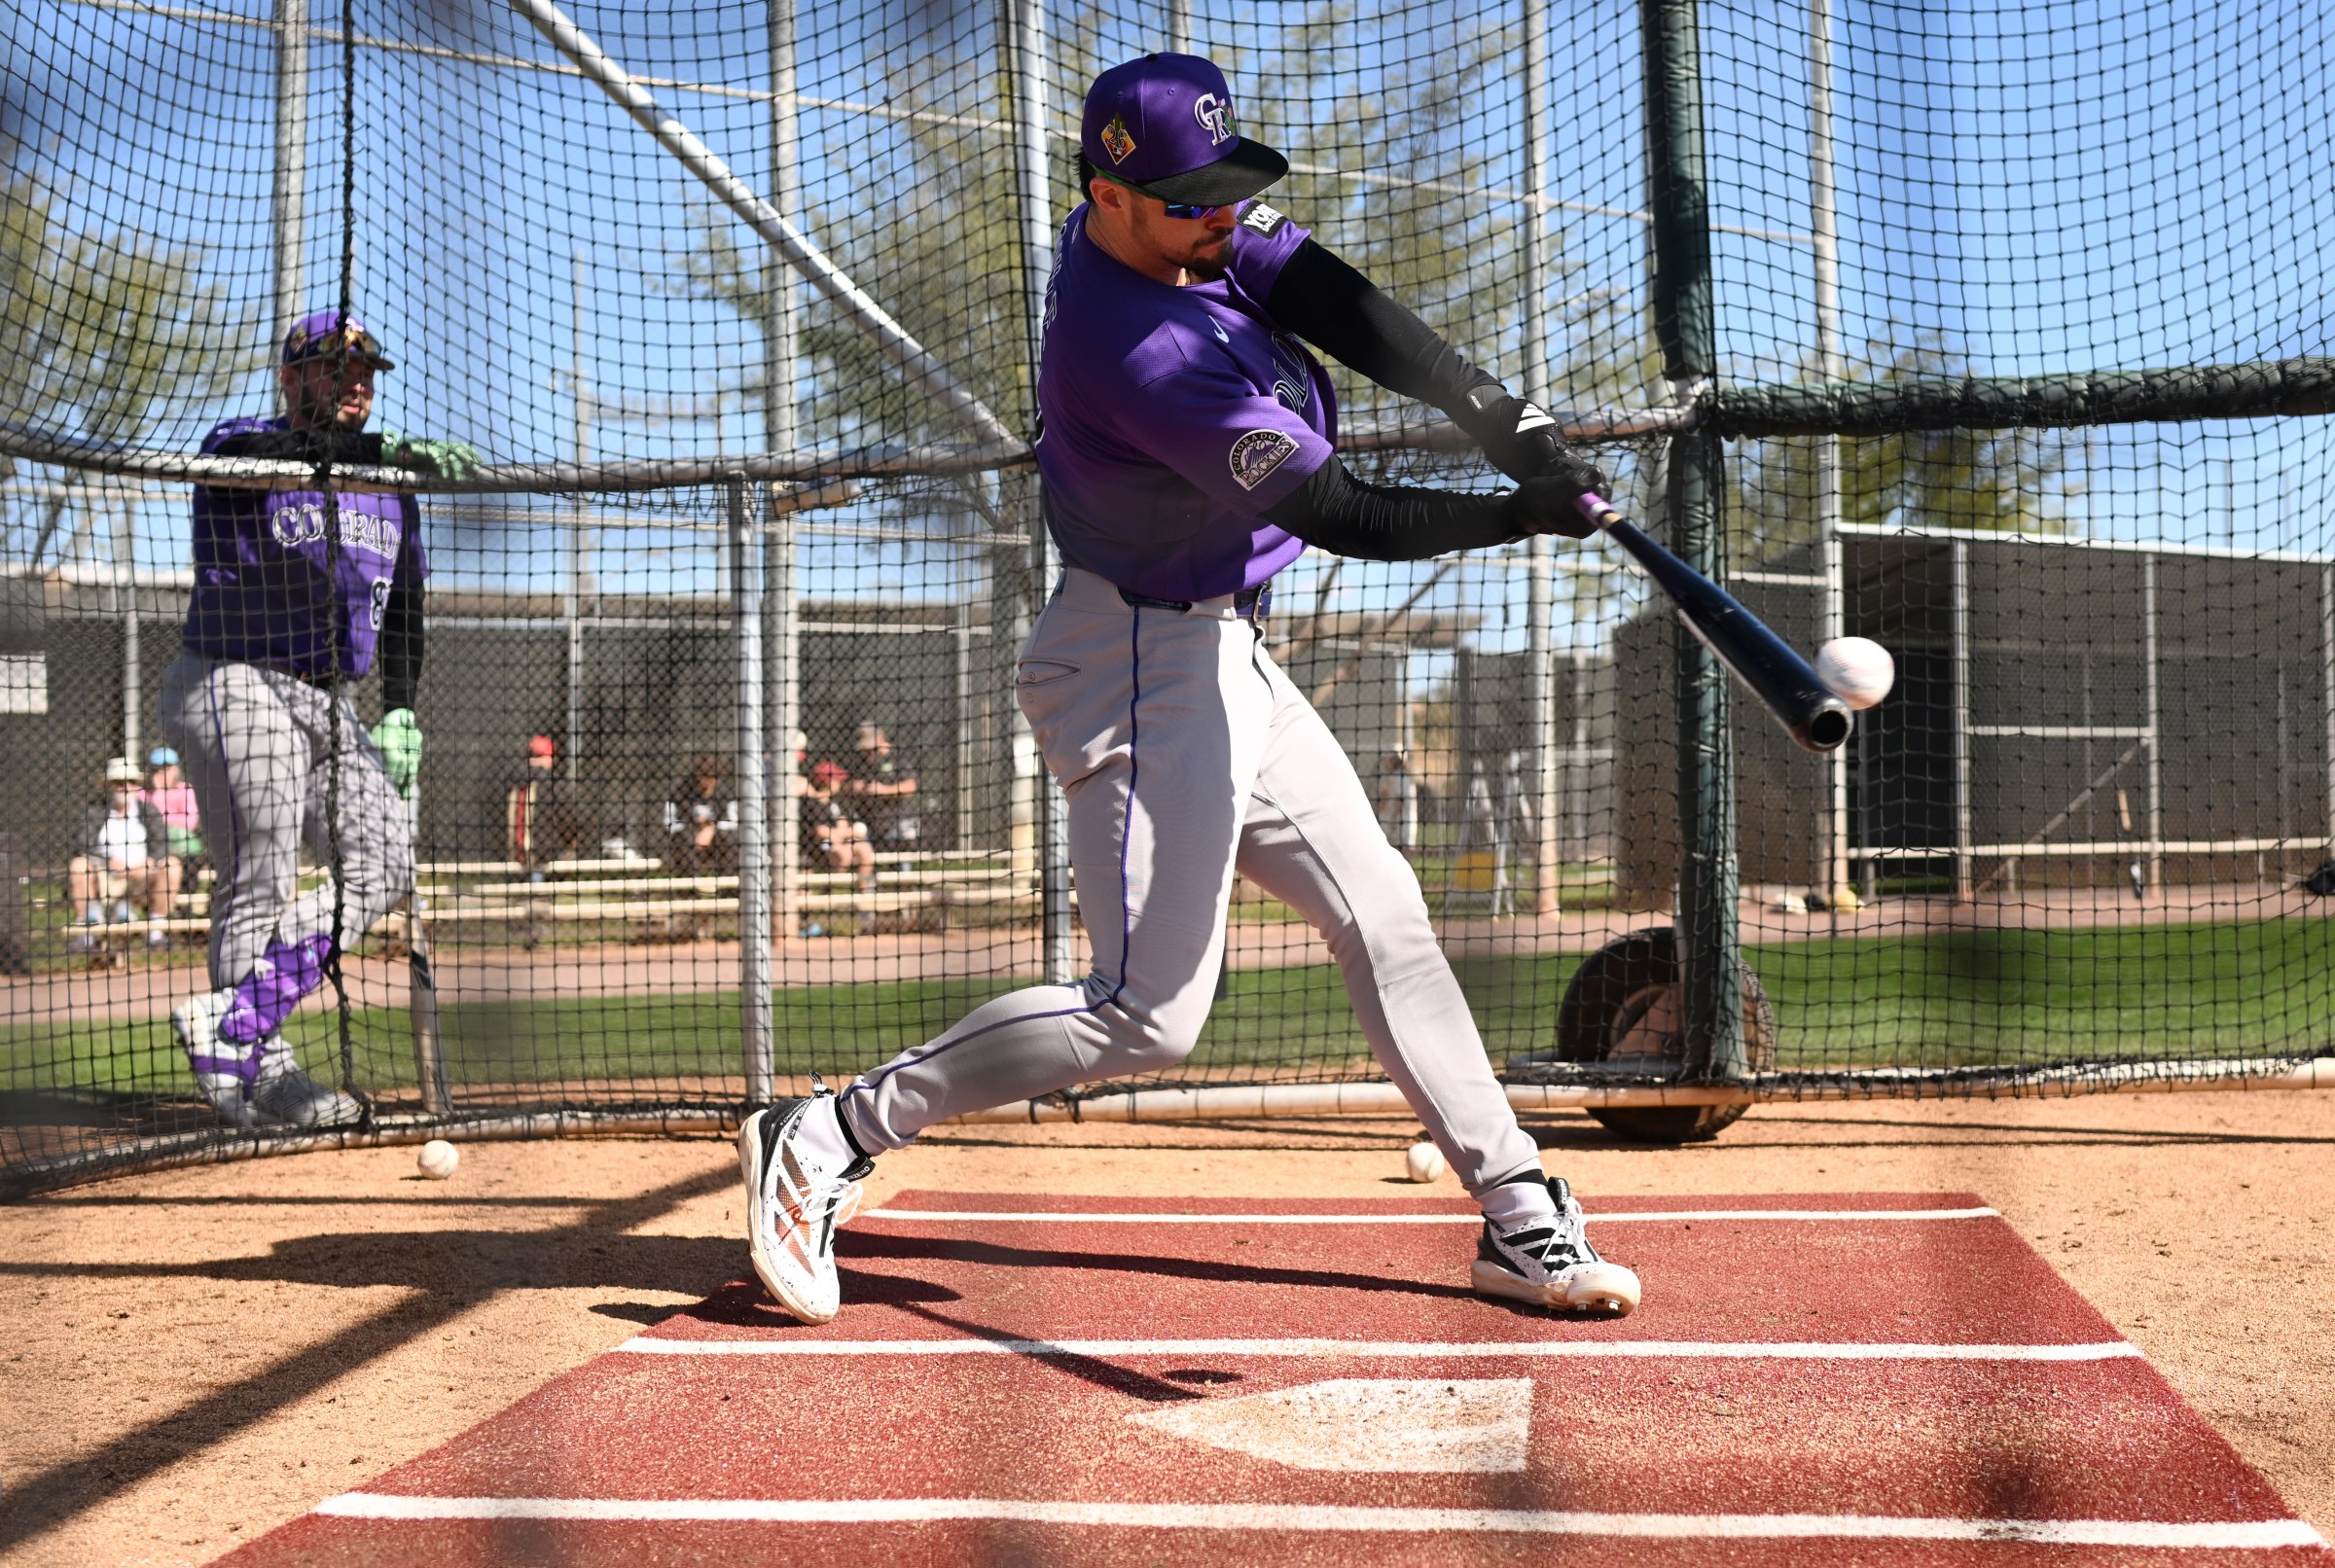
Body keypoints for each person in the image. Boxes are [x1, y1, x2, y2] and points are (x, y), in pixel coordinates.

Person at [739, 53, 1639, 1327]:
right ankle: (827, 1132)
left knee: (1383, 911)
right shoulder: (1140, 347)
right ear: (1106, 196)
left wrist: (1496, 410)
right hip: (1141, 666)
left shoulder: (1178, 226)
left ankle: (1515, 1209)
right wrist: (1514, 515)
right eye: (1191, 201)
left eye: (1229, 191)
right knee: (1143, 1017)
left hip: (1223, 657)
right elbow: (1343, 509)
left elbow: (1332, 293)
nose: (1221, 219)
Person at [160, 308, 476, 1128]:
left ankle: (236, 1023)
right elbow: (261, 458)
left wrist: (401, 709)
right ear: (293, 376)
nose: (358, 383)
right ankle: (260, 1069)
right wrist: (389, 454)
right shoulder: (244, 444)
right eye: (338, 367)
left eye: (368, 372)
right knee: (262, 866)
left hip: (327, 699)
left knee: (387, 860)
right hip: (232, 677)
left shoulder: (390, 489)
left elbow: (405, 608)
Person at [67, 758, 180, 951]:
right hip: (104, 877)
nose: (125, 787)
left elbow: (162, 844)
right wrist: (109, 862)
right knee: (78, 866)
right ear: (108, 786)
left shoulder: (148, 811)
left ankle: (156, 932)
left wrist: (148, 862)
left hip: (142, 878)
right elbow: (83, 845)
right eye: (119, 783)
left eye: (131, 782)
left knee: (172, 865)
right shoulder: (94, 812)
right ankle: (87, 934)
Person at [507, 734, 587, 877]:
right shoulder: (554, 785)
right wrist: (570, 841)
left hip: (512, 853)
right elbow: (568, 821)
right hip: (544, 854)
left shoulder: (511, 782)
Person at [843, 721, 919, 853]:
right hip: (865, 823)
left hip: (894, 821)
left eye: (870, 746)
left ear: (881, 738)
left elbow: (910, 786)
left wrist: (883, 790)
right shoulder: (859, 760)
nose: (867, 750)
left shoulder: (897, 756)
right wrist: (854, 788)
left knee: (900, 852)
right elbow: (842, 787)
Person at [801, 759, 877, 890]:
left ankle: (864, 891)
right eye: (836, 779)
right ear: (826, 781)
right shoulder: (812, 803)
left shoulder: (836, 802)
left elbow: (842, 824)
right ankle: (826, 892)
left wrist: (843, 834)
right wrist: (849, 832)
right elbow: (821, 832)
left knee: (864, 848)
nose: (840, 782)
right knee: (842, 853)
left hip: (837, 841)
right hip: (818, 846)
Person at [664, 754, 738, 876]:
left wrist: (711, 828)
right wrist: (694, 828)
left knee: (729, 840)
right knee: (682, 839)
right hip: (689, 839)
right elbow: (669, 823)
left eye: (710, 777)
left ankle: (727, 886)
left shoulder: (725, 794)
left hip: (716, 840)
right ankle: (688, 889)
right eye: (703, 776)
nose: (706, 782)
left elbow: (733, 822)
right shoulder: (681, 792)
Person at [142, 745, 205, 864]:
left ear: (176, 769)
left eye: (166, 768)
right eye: (157, 769)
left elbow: (190, 822)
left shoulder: (185, 789)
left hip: (180, 846)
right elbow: (142, 821)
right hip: (150, 842)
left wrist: (160, 819)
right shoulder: (143, 793)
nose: (162, 773)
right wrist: (158, 791)